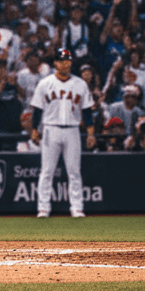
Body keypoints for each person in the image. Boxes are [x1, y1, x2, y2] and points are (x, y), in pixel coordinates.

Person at [29, 47, 96, 218]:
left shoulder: (80, 84)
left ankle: (77, 208)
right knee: (47, 171)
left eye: (68, 60)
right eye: (61, 61)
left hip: (73, 131)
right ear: (55, 63)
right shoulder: (45, 83)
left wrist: (90, 133)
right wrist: (34, 130)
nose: (65, 64)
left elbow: (87, 112)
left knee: (74, 172)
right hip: (51, 129)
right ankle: (43, 208)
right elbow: (36, 110)